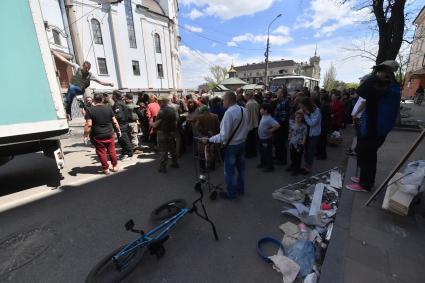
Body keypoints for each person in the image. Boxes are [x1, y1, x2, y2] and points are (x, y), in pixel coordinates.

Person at [346, 60, 401, 192]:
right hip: (375, 126)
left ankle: (365, 185)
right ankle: (365, 179)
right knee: (366, 154)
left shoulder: (386, 88)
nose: (376, 74)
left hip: (375, 128)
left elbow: (362, 90)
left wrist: (376, 76)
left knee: (368, 155)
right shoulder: (389, 86)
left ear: (386, 73)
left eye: (379, 71)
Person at [207, 91, 249, 199]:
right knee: (241, 169)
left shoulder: (229, 113)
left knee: (229, 172)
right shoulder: (244, 109)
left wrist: (209, 139)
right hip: (242, 144)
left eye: (223, 100)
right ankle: (241, 188)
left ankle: (231, 193)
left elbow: (223, 136)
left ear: (228, 100)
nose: (222, 102)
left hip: (232, 146)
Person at [52, 51, 113, 119]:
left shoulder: (90, 75)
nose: (87, 70)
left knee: (71, 88)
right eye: (86, 68)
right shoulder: (77, 67)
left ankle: (67, 101)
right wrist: (55, 53)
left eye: (88, 69)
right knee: (71, 100)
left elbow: (100, 82)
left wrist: (109, 84)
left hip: (80, 89)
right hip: (74, 89)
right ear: (83, 66)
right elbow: (64, 60)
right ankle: (69, 113)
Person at [83, 93, 120, 175]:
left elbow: (89, 124)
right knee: (112, 150)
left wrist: (85, 136)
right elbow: (114, 121)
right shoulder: (108, 108)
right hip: (109, 134)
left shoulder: (90, 110)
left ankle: (106, 169)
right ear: (102, 99)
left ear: (94, 100)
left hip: (97, 135)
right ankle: (115, 166)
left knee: (101, 152)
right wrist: (118, 130)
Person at [154, 95, 179, 173]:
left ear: (163, 102)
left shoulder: (162, 111)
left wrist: (151, 124)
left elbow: (156, 124)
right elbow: (177, 119)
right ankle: (175, 163)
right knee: (172, 148)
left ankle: (163, 167)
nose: (158, 103)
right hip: (171, 131)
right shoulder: (174, 110)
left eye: (160, 101)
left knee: (163, 150)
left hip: (162, 132)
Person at [194, 105, 220, 171]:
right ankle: (212, 166)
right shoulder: (215, 116)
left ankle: (203, 168)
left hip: (202, 138)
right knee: (212, 152)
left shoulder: (199, 117)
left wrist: (206, 132)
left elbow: (197, 127)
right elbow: (218, 127)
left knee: (201, 152)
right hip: (213, 137)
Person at [299, 97, 321, 174]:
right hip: (307, 133)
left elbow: (312, 124)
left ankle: (308, 168)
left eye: (302, 106)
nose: (301, 108)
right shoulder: (307, 110)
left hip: (314, 134)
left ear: (306, 105)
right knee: (306, 150)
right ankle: (306, 166)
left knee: (310, 151)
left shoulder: (316, 110)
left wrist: (305, 115)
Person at [257, 103, 280, 172]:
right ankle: (263, 163)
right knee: (262, 152)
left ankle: (270, 167)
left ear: (266, 111)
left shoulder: (269, 118)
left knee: (268, 153)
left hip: (266, 139)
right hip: (262, 138)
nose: (260, 110)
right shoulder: (264, 115)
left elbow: (277, 125)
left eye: (261, 109)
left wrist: (270, 130)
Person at [112, 90, 133, 160]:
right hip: (124, 124)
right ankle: (125, 152)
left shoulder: (118, 104)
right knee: (122, 140)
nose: (111, 96)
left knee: (124, 140)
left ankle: (129, 154)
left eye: (112, 95)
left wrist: (112, 117)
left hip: (121, 124)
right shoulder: (121, 103)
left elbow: (119, 115)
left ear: (115, 96)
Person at [273, 88, 290, 165]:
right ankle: (277, 157)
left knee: (281, 144)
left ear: (282, 94)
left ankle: (282, 160)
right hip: (278, 124)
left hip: (281, 126)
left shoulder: (284, 102)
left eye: (278, 92)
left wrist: (276, 125)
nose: (277, 93)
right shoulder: (279, 101)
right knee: (277, 142)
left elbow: (283, 117)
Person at [287, 111, 307, 175]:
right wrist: (289, 138)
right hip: (292, 143)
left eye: (299, 117)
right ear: (295, 118)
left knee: (298, 157)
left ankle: (296, 170)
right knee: (292, 156)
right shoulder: (292, 124)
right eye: (296, 117)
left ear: (302, 118)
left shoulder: (304, 126)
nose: (298, 119)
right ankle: (292, 166)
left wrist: (302, 144)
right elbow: (290, 132)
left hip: (299, 144)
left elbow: (304, 135)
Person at [245, 91, 260, 158]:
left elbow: (247, 115)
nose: (245, 96)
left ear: (248, 96)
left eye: (246, 95)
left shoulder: (248, 104)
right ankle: (254, 152)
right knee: (253, 139)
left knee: (249, 140)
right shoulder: (256, 103)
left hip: (249, 124)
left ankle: (249, 153)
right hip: (255, 123)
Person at [316, 92, 331, 160]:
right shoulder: (325, 104)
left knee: (322, 141)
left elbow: (322, 116)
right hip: (324, 124)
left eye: (321, 96)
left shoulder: (325, 105)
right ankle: (319, 153)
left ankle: (322, 155)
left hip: (323, 125)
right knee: (321, 140)